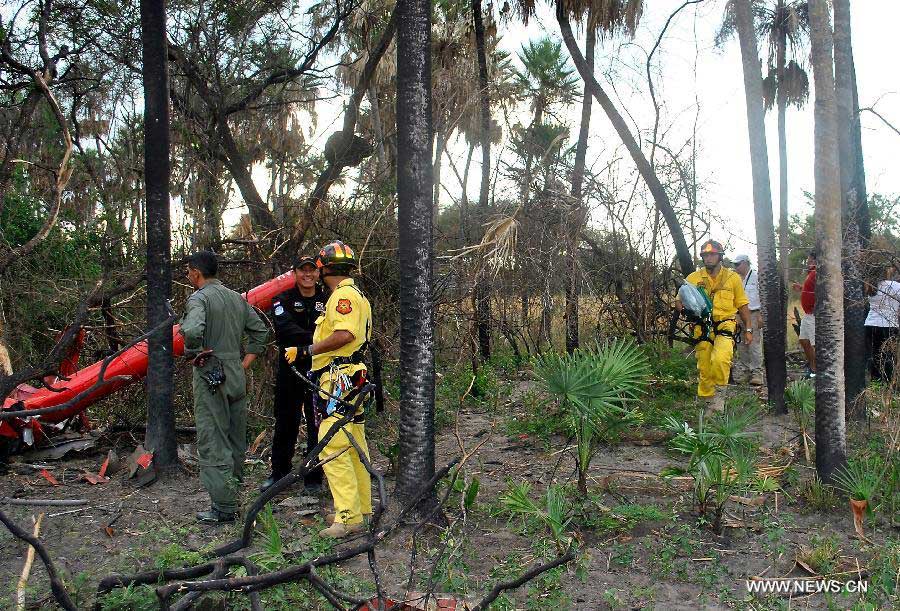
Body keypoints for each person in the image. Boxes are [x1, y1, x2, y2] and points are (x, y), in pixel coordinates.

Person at [285, 240, 373, 539]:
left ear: (323, 269)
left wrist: (306, 350)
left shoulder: (342, 297)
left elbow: (345, 334)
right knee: (354, 443)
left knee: (332, 443)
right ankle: (362, 511)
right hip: (351, 376)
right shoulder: (353, 293)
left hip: (340, 378)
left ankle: (347, 517)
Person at [180, 251, 269, 523]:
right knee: (234, 437)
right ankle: (234, 494)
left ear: (196, 272)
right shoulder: (236, 298)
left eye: (188, 271)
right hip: (234, 371)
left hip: (210, 372)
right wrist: (243, 363)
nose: (187, 276)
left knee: (213, 439)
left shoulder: (199, 299)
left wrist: (196, 353)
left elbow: (193, 330)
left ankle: (223, 508)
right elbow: (261, 331)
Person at [261, 256, 328, 492]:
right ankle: (279, 473)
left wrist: (317, 346)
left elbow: (337, 330)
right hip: (290, 369)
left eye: (312, 270)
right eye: (303, 270)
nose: (308, 275)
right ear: (295, 273)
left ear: (319, 274)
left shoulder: (328, 299)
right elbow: (285, 331)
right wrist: (320, 340)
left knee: (317, 423)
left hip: (320, 369)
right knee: (285, 422)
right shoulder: (282, 299)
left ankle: (313, 476)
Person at [675, 240, 753, 413]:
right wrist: (685, 311)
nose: (708, 258)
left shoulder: (732, 278)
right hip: (702, 327)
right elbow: (679, 300)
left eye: (712, 254)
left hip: (725, 325)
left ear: (720, 256)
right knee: (704, 365)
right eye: (705, 255)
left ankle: (719, 399)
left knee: (721, 359)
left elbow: (742, 305)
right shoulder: (693, 278)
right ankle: (706, 400)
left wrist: (748, 328)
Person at [732, 254, 764, 385]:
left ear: (745, 263)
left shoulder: (756, 277)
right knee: (741, 343)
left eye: (737, 264)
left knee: (754, 344)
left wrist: (762, 314)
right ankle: (746, 370)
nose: (736, 267)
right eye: (734, 264)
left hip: (754, 313)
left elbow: (763, 295)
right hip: (739, 314)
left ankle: (757, 372)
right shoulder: (735, 279)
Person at [865, 264, 900, 382]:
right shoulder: (895, 286)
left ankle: (876, 380)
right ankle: (890, 382)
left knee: (875, 354)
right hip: (888, 325)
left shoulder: (871, 286)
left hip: (871, 324)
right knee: (889, 355)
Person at [792, 251, 817, 377]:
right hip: (808, 314)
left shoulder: (818, 273)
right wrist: (801, 288)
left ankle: (819, 370)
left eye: (810, 260)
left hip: (814, 314)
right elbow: (811, 290)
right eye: (808, 261)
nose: (808, 262)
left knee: (815, 343)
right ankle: (813, 368)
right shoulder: (811, 274)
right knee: (804, 340)